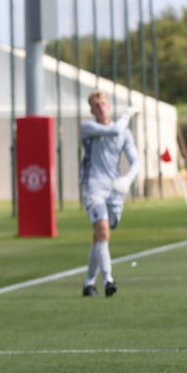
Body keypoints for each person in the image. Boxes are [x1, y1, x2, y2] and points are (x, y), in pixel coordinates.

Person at [79, 90, 140, 297]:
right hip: (93, 186)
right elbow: (114, 131)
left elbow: (136, 161)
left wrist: (128, 179)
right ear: (91, 110)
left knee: (101, 236)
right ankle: (108, 281)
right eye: (96, 105)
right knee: (103, 230)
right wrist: (127, 115)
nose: (101, 108)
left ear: (109, 106)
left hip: (115, 187)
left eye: (103, 104)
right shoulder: (88, 128)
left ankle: (88, 284)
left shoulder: (124, 133)